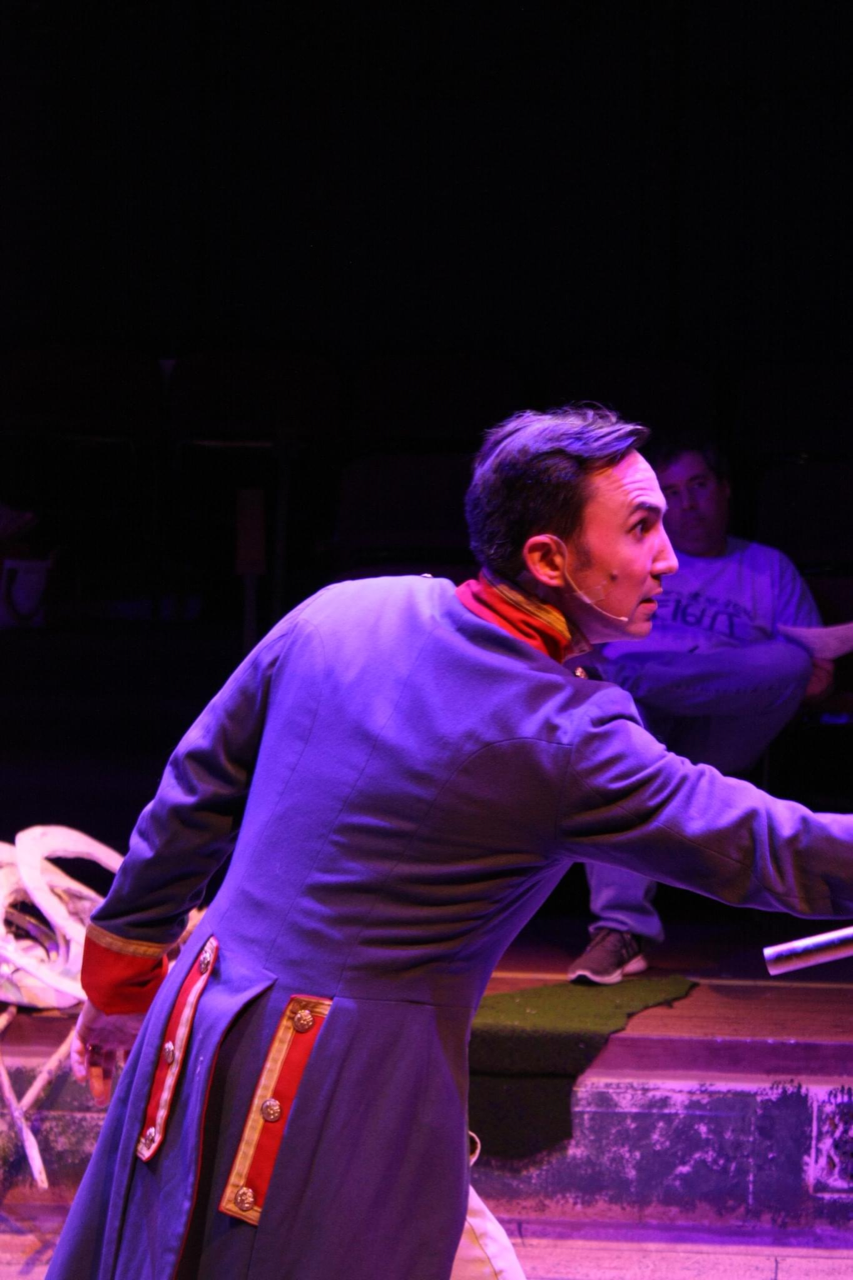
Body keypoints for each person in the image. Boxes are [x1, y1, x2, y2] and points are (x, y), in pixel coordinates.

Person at [48, 406, 853, 1280]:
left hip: (195, 1016)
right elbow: (768, 844)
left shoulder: (344, 609)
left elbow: (193, 792)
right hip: (333, 1084)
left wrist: (125, 978)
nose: (666, 557)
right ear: (547, 559)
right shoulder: (564, 734)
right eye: (639, 528)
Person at [567, 438, 833, 984]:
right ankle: (619, 931)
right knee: (614, 743)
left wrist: (700, 674)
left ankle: (637, 679)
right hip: (640, 723)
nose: (686, 504)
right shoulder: (640, 560)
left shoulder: (768, 567)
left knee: (788, 661)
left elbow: (815, 677)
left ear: (725, 490)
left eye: (699, 486)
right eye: (672, 493)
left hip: (725, 728)